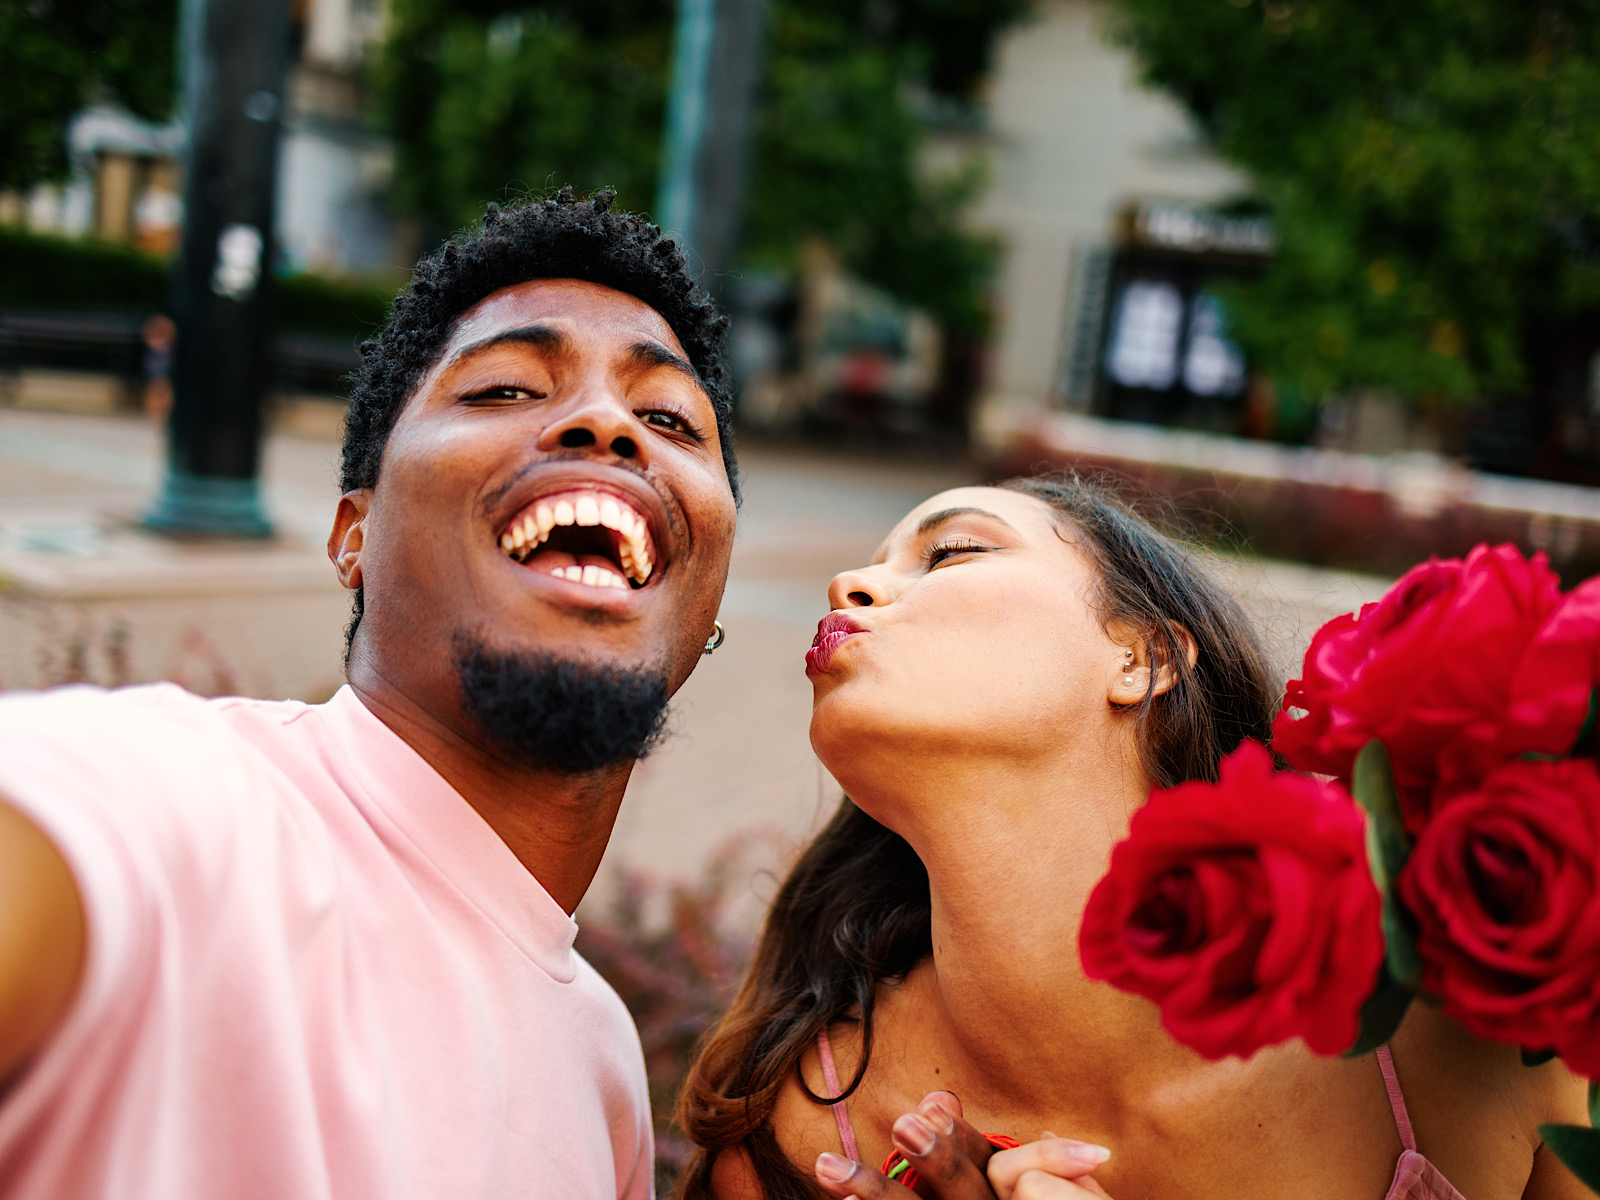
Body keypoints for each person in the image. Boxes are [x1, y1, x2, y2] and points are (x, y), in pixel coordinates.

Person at [0, 187, 740, 1199]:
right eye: (506, 389)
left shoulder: (603, 1068)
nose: (608, 425)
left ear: (708, 597)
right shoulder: (187, 808)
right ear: (354, 535)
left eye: (666, 417)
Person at [678, 477, 1591, 1200]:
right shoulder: (799, 1136)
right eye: (872, 567)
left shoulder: (1472, 1022)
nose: (854, 584)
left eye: (950, 552)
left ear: (1143, 656)